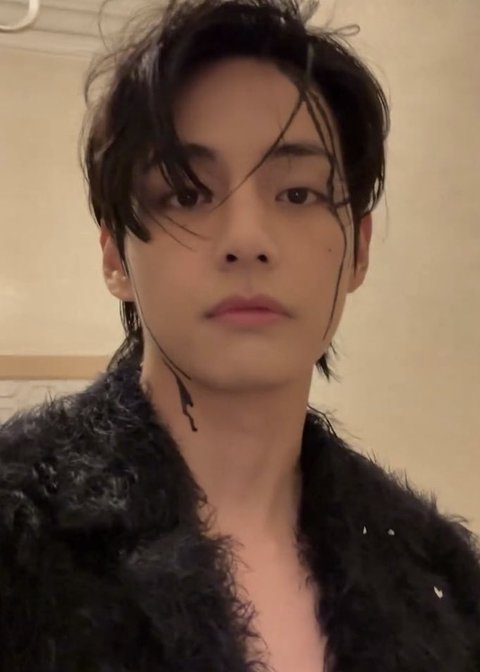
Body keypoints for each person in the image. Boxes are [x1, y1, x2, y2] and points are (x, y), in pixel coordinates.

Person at [1, 1, 479, 670]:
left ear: (359, 250)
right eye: (187, 194)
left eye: (298, 195)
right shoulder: (17, 536)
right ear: (115, 258)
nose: (248, 238)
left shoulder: (438, 578)